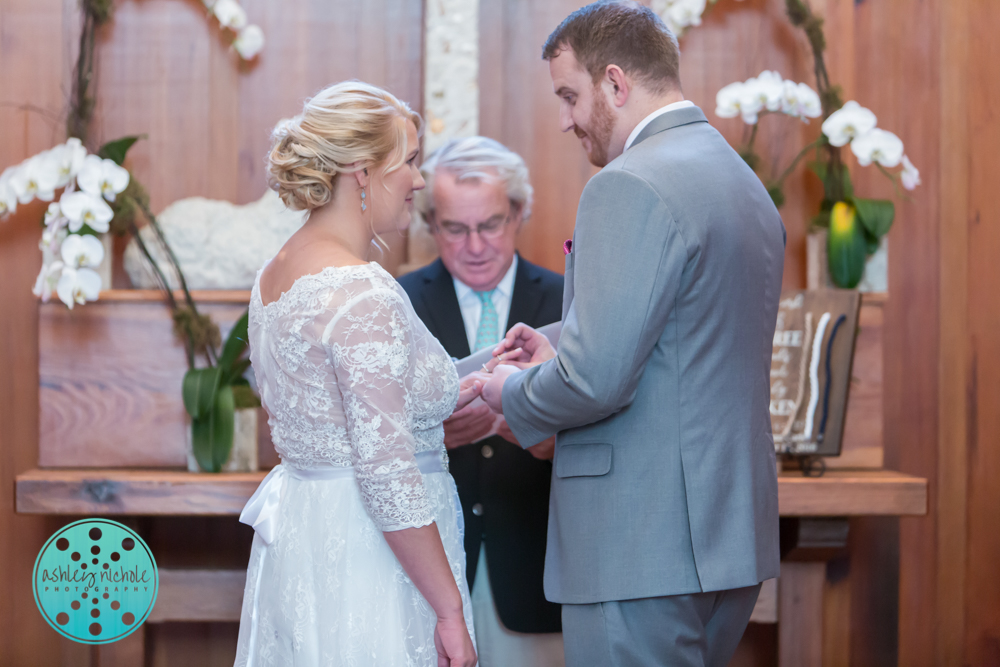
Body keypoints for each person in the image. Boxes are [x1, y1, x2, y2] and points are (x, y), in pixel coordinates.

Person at [479, 2, 786, 666]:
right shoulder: (742, 180)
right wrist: (562, 341)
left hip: (638, 542)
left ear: (616, 83)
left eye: (570, 95)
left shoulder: (628, 182)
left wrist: (512, 392)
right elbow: (690, 329)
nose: (563, 118)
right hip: (726, 539)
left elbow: (594, 379)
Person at [234, 81, 479, 667]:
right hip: (372, 559)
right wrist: (448, 611)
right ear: (363, 172)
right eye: (411, 161)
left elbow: (343, 410)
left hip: (309, 539)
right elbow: (386, 471)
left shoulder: (275, 274)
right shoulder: (362, 289)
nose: (420, 180)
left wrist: (474, 375)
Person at [398, 136, 565, 667]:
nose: (474, 245)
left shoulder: (570, 299)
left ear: (518, 213)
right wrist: (427, 434)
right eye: (454, 228)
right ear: (430, 224)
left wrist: (550, 440)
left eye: (489, 224)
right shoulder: (397, 302)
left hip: (539, 570)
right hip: (429, 577)